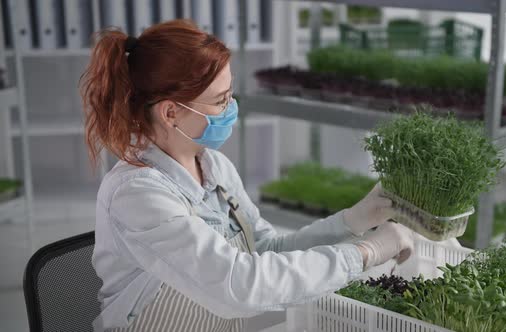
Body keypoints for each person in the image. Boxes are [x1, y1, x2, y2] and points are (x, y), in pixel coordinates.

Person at [81, 19, 414, 332]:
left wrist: (353, 221)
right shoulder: (136, 193)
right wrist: (364, 253)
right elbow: (238, 285)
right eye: (220, 101)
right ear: (171, 113)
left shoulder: (214, 167)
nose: (232, 108)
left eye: (231, 95)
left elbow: (267, 249)